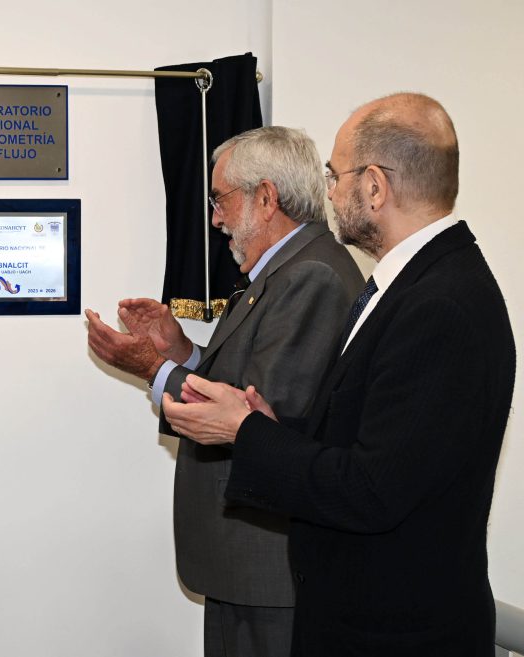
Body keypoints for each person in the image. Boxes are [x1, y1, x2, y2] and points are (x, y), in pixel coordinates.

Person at [163, 93, 515, 656]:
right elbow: (362, 438)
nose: (327, 191)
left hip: (395, 634)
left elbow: (371, 490)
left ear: (374, 186)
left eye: (335, 174)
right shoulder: (412, 283)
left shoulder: (441, 304)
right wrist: (270, 423)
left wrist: (246, 433)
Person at [86, 126, 363, 656]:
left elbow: (260, 421)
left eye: (220, 199)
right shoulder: (277, 273)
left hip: (270, 569)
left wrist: (151, 368)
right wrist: (179, 350)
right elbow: (240, 385)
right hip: (245, 567)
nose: (215, 218)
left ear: (266, 197)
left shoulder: (310, 276)